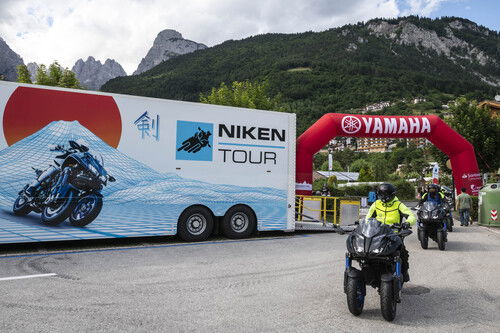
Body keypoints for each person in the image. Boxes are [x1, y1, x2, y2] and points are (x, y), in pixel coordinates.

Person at [366, 183, 416, 282]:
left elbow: (411, 216)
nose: (384, 198)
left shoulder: (398, 205)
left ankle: (404, 272)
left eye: (386, 195)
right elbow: (368, 218)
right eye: (381, 195)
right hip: (377, 234)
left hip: (394, 235)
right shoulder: (376, 204)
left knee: (403, 254)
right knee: (366, 253)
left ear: (392, 195)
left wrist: (407, 223)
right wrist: (365, 225)